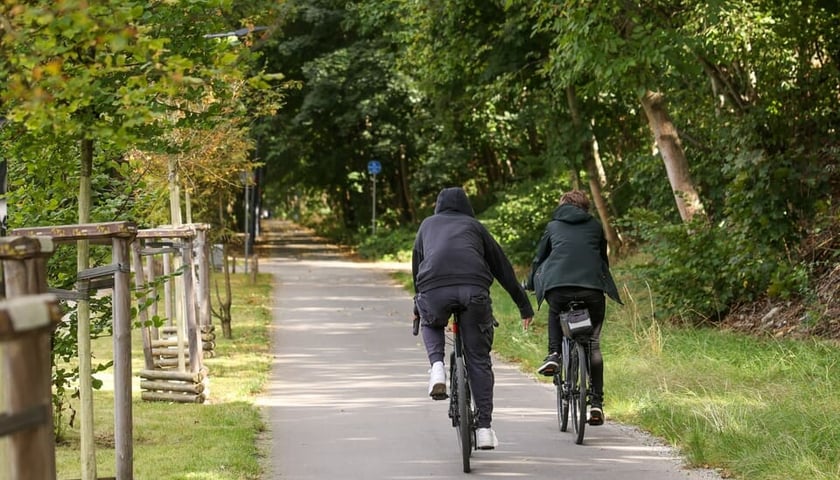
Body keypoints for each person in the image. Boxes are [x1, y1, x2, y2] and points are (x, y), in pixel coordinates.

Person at [412, 187, 534, 450]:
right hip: (473, 291)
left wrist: (417, 303)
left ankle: (437, 368)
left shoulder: (427, 225)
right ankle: (485, 429)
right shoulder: (475, 227)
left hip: (435, 289)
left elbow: (418, 267)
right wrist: (524, 306)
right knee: (478, 358)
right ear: (466, 206)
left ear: (438, 206)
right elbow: (503, 268)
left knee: (432, 321)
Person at [525, 189, 622, 426]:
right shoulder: (596, 226)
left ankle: (554, 354)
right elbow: (601, 259)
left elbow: (540, 258)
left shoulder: (553, 226)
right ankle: (596, 403)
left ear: (563, 205)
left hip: (559, 287)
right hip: (592, 290)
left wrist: (529, 283)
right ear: (586, 207)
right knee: (593, 344)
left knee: (556, 310)